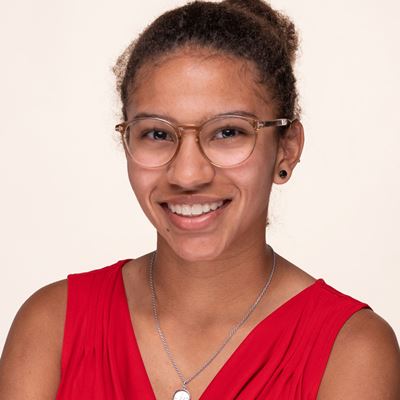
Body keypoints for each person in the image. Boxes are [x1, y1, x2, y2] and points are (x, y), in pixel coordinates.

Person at [1, 0, 399, 399]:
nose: (187, 175)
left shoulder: (352, 351)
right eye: (157, 133)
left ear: (287, 148)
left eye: (228, 132)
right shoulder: (51, 326)